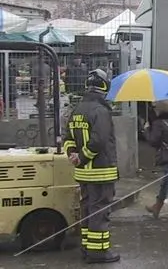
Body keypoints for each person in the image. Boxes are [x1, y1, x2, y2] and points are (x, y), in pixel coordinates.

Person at [63, 69, 120, 264]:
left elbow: (68, 137)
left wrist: (74, 156)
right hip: (101, 171)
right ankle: (99, 253)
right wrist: (83, 157)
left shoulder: (77, 109)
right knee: (99, 211)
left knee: (87, 208)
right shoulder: (101, 111)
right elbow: (99, 141)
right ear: (104, 86)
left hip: (83, 173)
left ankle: (87, 247)